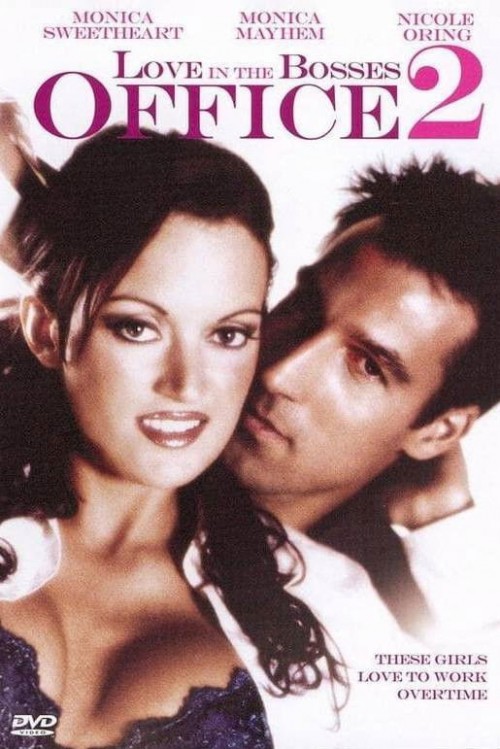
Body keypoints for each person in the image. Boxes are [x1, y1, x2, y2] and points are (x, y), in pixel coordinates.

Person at [0, 126, 345, 749]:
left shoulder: (293, 627)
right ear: (46, 331)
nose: (187, 384)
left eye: (228, 335)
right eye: (138, 327)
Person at [220, 158, 500, 744]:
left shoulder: (357, 648)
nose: (279, 373)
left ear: (437, 431)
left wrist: (441, 516)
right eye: (303, 307)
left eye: (368, 365)